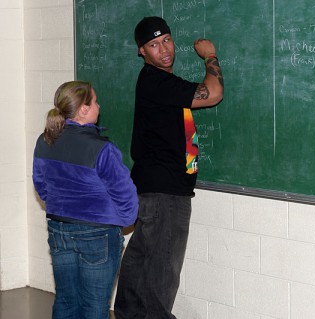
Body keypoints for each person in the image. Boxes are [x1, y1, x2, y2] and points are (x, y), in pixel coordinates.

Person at [114, 16, 224, 319]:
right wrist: (211, 56)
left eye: (166, 40)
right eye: (153, 44)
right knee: (162, 272)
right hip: (164, 192)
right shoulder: (156, 81)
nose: (163, 49)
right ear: (142, 51)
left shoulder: (158, 83)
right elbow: (213, 93)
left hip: (152, 188)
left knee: (140, 261)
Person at [32, 81, 139, 319]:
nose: (99, 106)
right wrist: (121, 221)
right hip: (98, 234)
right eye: (95, 101)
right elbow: (125, 193)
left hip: (59, 228)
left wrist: (62, 206)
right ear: (83, 109)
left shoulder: (45, 140)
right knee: (94, 306)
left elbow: (41, 184)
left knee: (66, 301)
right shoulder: (102, 148)